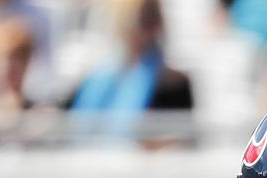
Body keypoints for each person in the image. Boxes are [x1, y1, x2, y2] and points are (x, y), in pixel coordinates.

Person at [68, 0, 192, 140]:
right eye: (141, 18)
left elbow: (180, 140)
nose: (143, 26)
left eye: (149, 17)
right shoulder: (96, 79)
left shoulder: (173, 85)